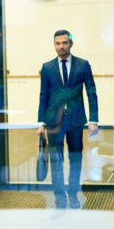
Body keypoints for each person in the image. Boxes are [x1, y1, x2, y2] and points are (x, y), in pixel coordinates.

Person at [37, 30, 99, 209]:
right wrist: (40, 122)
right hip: (52, 122)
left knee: (75, 159)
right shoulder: (47, 67)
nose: (61, 47)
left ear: (71, 44)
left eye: (64, 43)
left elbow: (91, 93)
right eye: (58, 43)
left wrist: (93, 119)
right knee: (56, 161)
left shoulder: (83, 65)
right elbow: (43, 95)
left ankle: (73, 194)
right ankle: (59, 198)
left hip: (75, 120)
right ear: (54, 44)